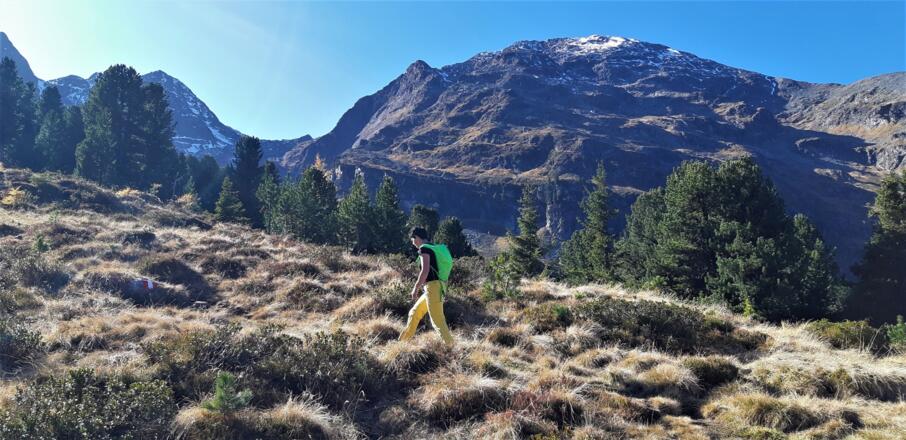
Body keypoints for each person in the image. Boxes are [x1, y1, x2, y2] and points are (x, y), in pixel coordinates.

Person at [398, 227, 454, 346]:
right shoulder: (433, 247)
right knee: (414, 313)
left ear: (417, 237)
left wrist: (415, 288)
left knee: (437, 321)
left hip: (433, 287)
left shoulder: (424, 249)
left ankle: (451, 347)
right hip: (436, 287)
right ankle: (402, 343)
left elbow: (425, 270)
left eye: (413, 240)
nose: (413, 243)